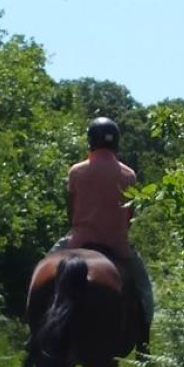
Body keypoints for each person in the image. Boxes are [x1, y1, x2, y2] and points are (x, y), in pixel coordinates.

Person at [57, 116, 153, 351]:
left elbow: (71, 210)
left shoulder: (76, 171)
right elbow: (129, 216)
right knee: (144, 289)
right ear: (116, 142)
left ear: (91, 140)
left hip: (78, 242)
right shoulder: (129, 175)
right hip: (117, 246)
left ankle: (32, 331)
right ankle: (143, 341)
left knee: (41, 270)